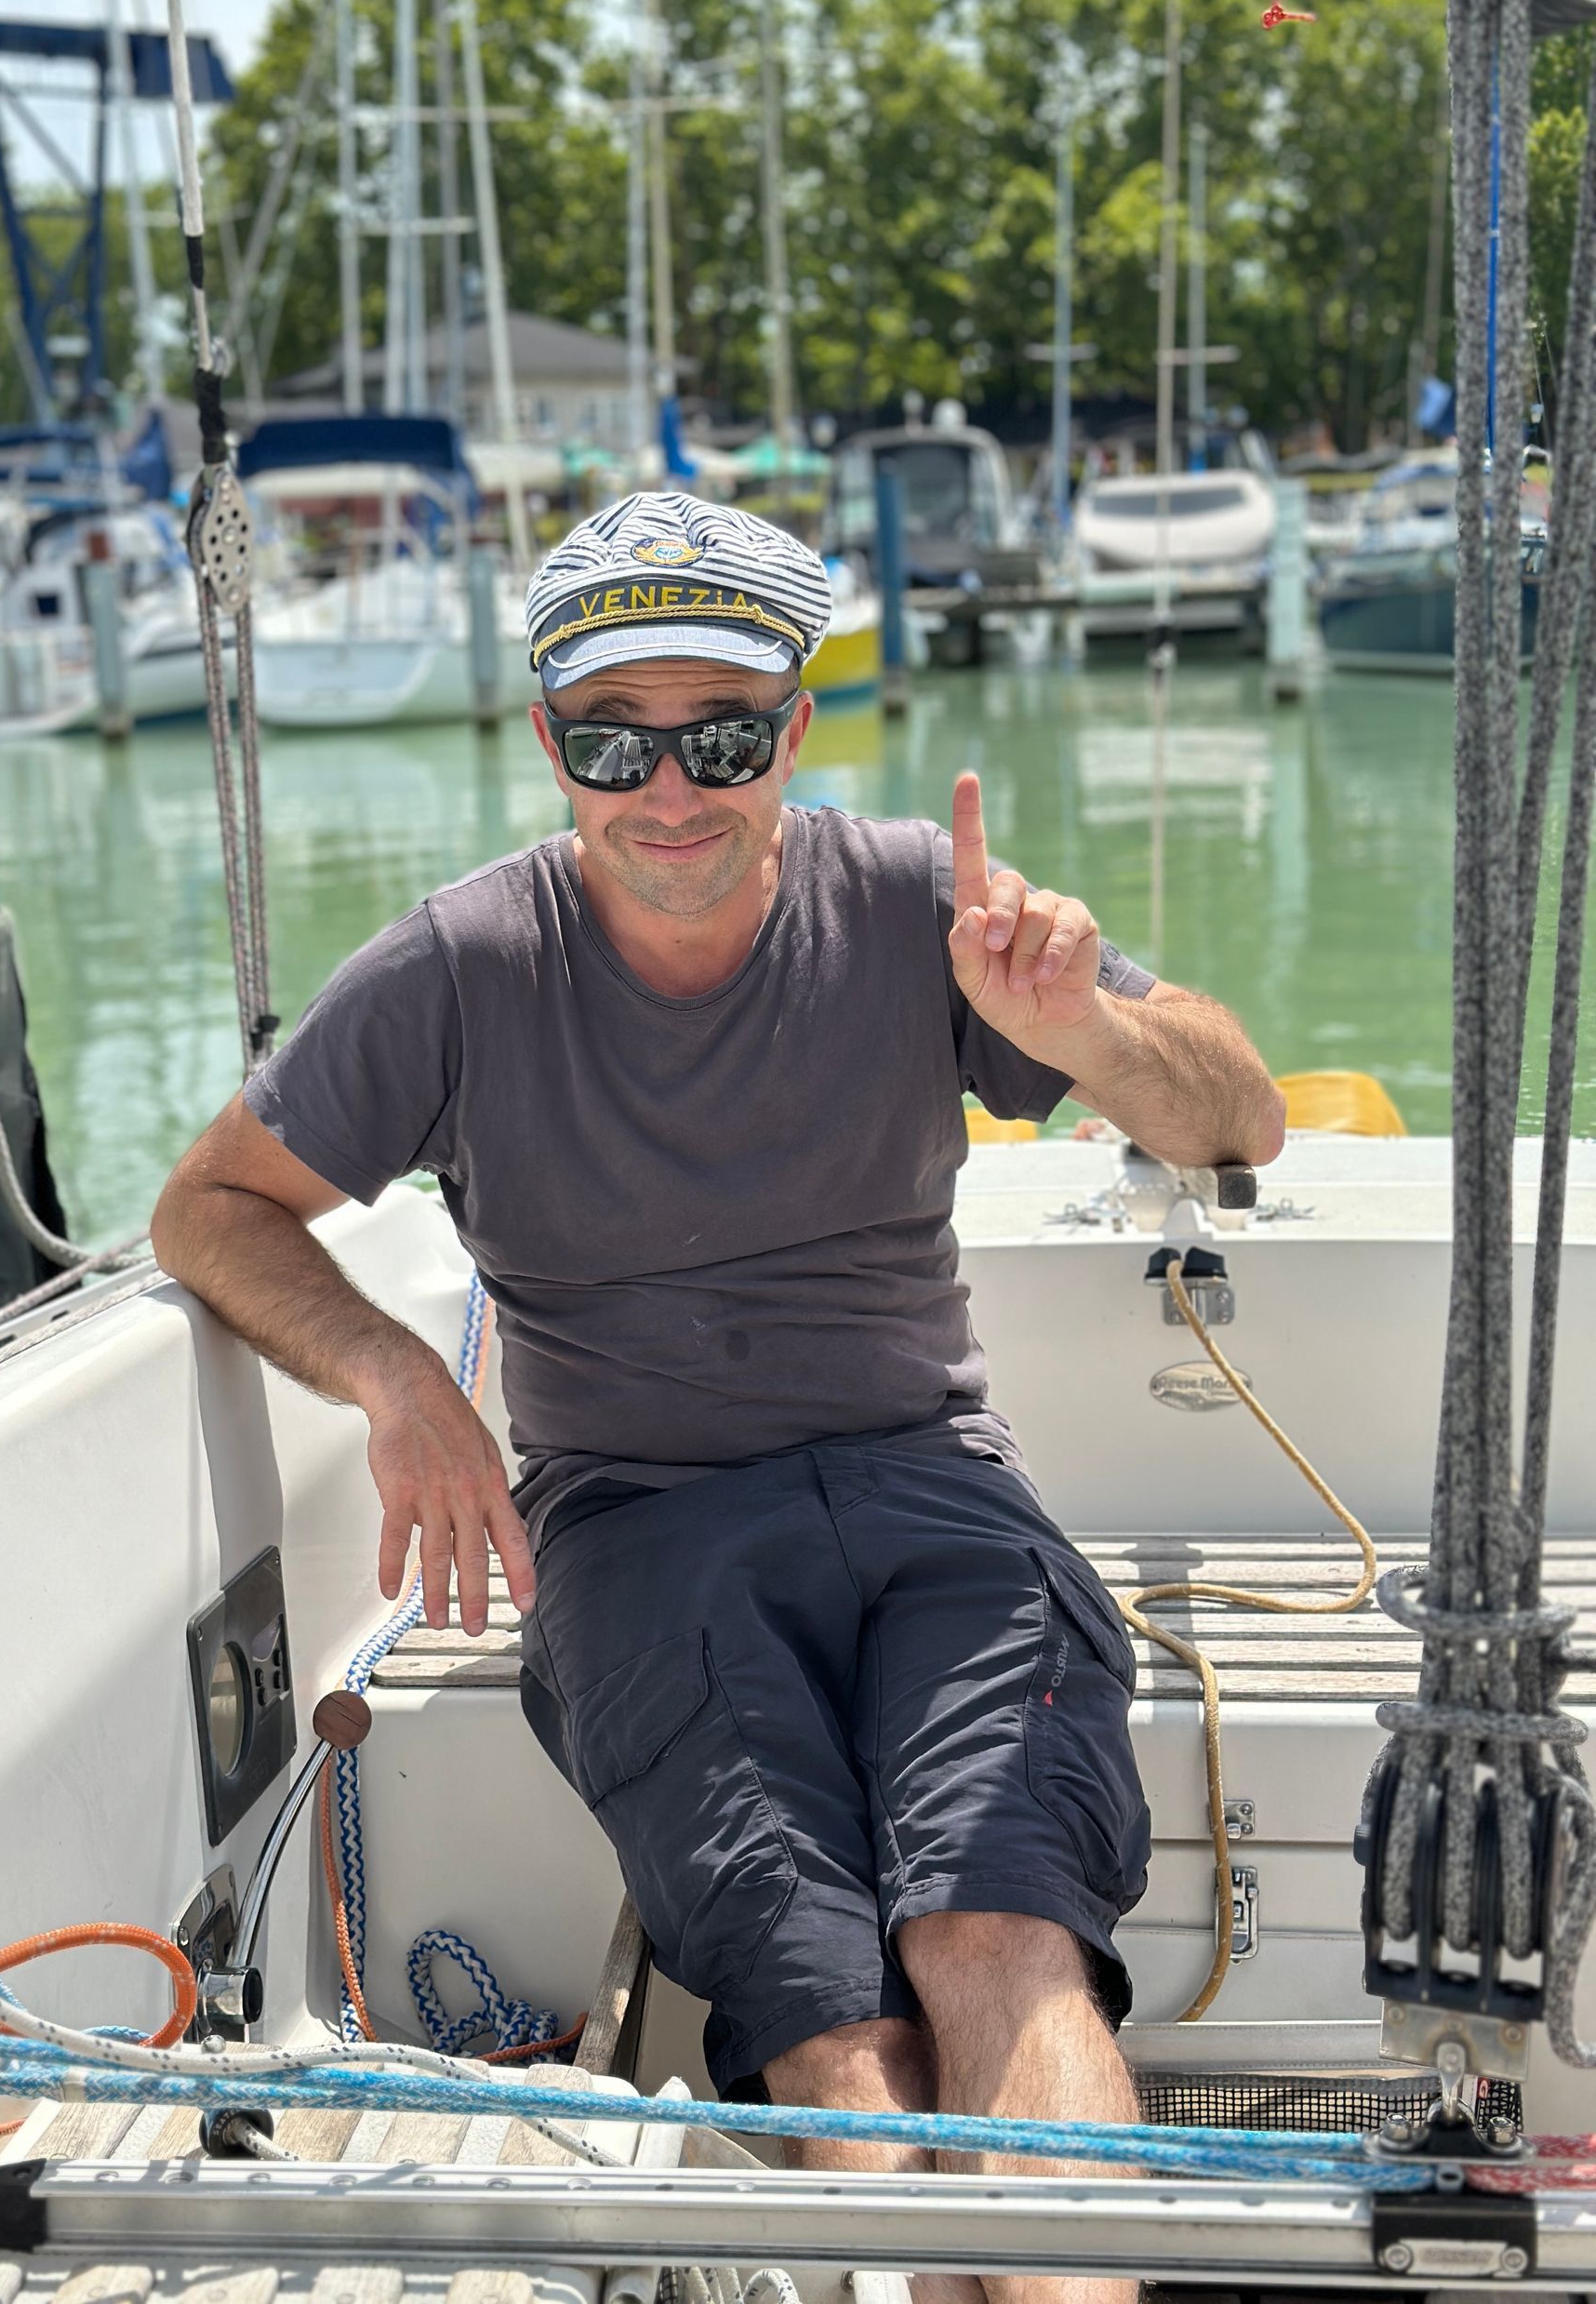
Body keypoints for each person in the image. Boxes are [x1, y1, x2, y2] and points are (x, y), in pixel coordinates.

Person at [152, 490, 1285, 2304]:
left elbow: (1243, 1114)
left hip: (934, 1488)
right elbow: (206, 1203)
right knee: (835, 2012)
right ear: (548, 742)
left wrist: (1081, 1031)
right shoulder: (460, 966)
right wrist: (389, 1372)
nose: (667, 786)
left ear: (794, 730)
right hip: (638, 1523)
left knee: (1002, 1933)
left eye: (721, 735)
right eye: (613, 738)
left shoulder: (928, 902)